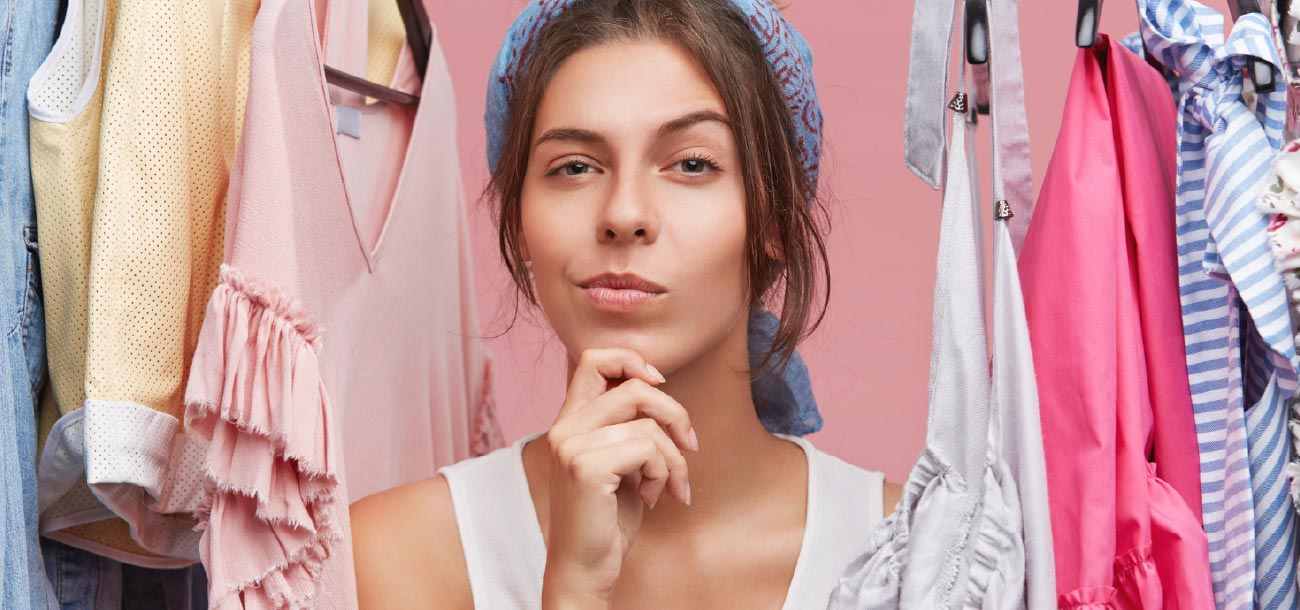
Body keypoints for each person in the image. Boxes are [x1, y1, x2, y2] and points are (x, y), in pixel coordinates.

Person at [351, 0, 901, 607]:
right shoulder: (397, 558)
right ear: (519, 222)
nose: (623, 214)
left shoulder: (917, 555)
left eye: (692, 164)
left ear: (774, 218)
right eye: (574, 167)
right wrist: (573, 590)